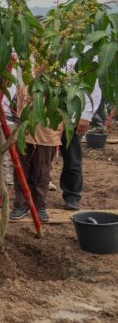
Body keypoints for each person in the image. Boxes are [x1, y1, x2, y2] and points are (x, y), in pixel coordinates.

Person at [9, 80, 61, 223]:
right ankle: (21, 205)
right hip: (24, 135)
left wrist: (57, 131)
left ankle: (39, 206)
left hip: (46, 136)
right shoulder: (25, 85)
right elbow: (18, 108)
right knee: (21, 172)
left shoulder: (57, 85)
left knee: (42, 173)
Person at [59, 58, 102, 210]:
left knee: (72, 159)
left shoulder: (86, 53)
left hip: (72, 118)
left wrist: (86, 115)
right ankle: (36, 197)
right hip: (48, 116)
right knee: (40, 159)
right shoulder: (48, 48)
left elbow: (93, 88)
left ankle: (72, 196)